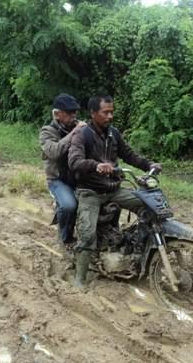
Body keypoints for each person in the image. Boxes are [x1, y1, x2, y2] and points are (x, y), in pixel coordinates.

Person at [68, 94, 162, 288]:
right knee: (87, 235)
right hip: (90, 192)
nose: (110, 116)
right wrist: (96, 166)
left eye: (112, 112)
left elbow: (129, 155)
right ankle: (79, 279)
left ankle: (135, 249)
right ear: (93, 113)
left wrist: (148, 164)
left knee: (148, 205)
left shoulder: (114, 134)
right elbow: (74, 162)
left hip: (113, 189)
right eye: (106, 112)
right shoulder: (82, 134)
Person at [39, 93, 86, 246]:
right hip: (58, 180)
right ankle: (65, 238)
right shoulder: (47, 131)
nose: (73, 116)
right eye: (69, 113)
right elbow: (54, 151)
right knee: (69, 205)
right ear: (57, 114)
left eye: (75, 113)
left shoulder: (79, 127)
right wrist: (75, 133)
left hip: (78, 177)